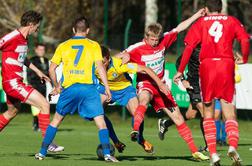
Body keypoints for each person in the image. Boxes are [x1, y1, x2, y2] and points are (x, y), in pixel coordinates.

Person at [117, 9, 209, 161]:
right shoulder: (136, 48)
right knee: (144, 99)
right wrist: (122, 57)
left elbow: (180, 28)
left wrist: (196, 16)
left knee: (178, 117)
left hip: (162, 86)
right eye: (152, 39)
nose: (155, 42)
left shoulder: (163, 41)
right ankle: (135, 131)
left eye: (157, 39)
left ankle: (194, 151)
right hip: (145, 83)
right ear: (145, 37)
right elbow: (117, 57)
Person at [174, 0, 250, 165]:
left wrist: (180, 71)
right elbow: (245, 40)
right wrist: (244, 58)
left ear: (206, 9)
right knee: (228, 111)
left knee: (208, 113)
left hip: (207, 66)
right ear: (221, 8)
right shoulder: (231, 20)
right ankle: (233, 146)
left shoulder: (201, 22)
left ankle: (213, 153)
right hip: (226, 64)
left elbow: (188, 48)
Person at [35, 16, 118, 162]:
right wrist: (107, 88)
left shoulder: (63, 46)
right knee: (101, 122)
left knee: (56, 120)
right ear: (88, 30)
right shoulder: (94, 45)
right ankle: (107, 154)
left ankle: (42, 153)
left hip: (70, 89)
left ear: (73, 29)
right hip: (88, 89)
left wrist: (57, 86)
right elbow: (100, 67)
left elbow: (52, 69)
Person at [0, 10, 63, 152]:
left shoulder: (24, 39)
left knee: (12, 112)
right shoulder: (14, 36)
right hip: (13, 83)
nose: (37, 29)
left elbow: (23, 59)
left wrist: (38, 71)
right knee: (44, 104)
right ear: (30, 24)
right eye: (37, 26)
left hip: (14, 82)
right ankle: (49, 143)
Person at [97, 45, 169, 154]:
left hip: (125, 90)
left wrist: (160, 84)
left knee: (138, 114)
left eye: (104, 62)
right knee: (97, 113)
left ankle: (140, 139)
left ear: (108, 58)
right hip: (105, 89)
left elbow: (145, 69)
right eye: (100, 62)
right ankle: (116, 141)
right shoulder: (94, 65)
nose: (101, 65)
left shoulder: (119, 64)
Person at [158, 48, 208, 152]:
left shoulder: (211, 47)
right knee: (205, 113)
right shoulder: (193, 49)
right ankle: (208, 146)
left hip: (205, 84)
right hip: (193, 84)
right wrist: (183, 79)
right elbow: (178, 62)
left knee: (191, 114)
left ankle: (166, 123)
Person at [27, 43, 49, 131]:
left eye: (43, 50)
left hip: (43, 86)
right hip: (35, 85)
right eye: (40, 49)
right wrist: (30, 83)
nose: (41, 52)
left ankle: (41, 124)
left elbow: (47, 73)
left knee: (43, 104)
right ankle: (36, 123)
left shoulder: (46, 60)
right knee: (36, 105)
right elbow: (29, 73)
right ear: (36, 50)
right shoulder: (32, 60)